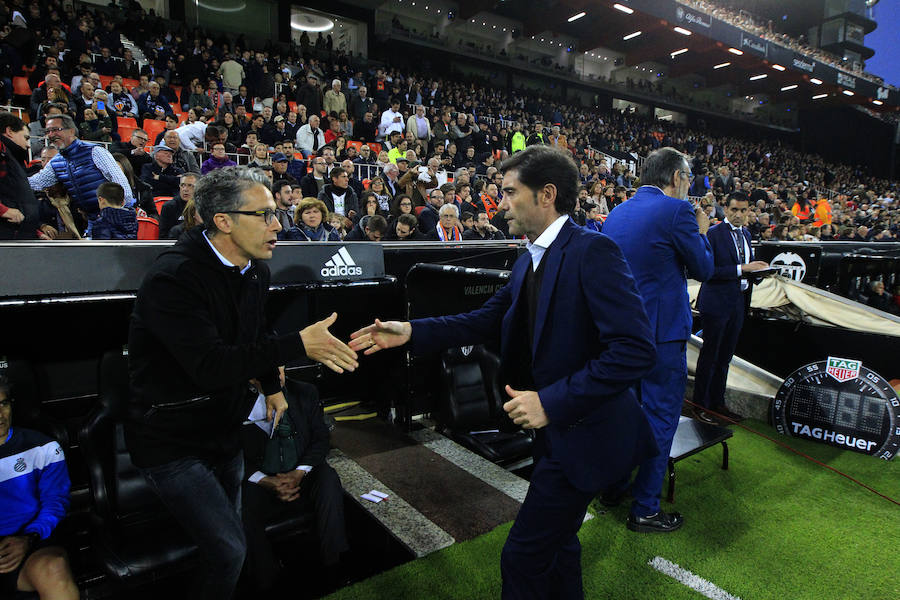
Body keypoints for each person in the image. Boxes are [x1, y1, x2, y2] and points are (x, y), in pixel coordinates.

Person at [349, 145, 657, 599]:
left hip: (585, 434)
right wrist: (410, 331)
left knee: (524, 557)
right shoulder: (530, 257)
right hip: (557, 434)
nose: (501, 203)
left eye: (510, 193)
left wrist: (550, 401)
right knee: (559, 547)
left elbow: (634, 350)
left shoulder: (594, 252)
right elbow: (484, 319)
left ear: (546, 194)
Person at [125, 166, 359, 600]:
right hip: (171, 444)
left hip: (222, 434)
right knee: (229, 548)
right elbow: (210, 365)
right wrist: (297, 345)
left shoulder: (254, 271)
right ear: (224, 221)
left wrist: (271, 386)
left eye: (277, 215)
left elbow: (252, 338)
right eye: (266, 215)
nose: (277, 225)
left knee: (230, 543)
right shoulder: (173, 278)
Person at [601, 147, 714, 533]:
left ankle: (613, 488)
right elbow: (704, 268)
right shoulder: (677, 211)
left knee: (623, 415)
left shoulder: (618, 212)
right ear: (678, 177)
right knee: (660, 419)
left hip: (621, 333)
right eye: (689, 177)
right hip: (661, 337)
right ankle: (645, 508)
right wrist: (701, 228)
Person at [241, 379, 348, 591]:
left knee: (328, 479)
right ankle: (267, 579)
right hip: (261, 480)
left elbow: (321, 438)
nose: (278, 374)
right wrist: (266, 481)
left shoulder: (305, 392)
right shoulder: (236, 400)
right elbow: (229, 454)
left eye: (281, 366)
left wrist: (299, 472)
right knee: (241, 499)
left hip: (301, 474)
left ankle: (334, 564)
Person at [0, 376, 80, 600]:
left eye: (3, 404)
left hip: (33, 541)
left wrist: (29, 539)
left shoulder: (43, 447)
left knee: (53, 568)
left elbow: (56, 501)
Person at [693, 191, 769, 424]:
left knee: (725, 357)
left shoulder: (746, 233)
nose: (738, 214)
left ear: (749, 211)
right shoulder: (714, 234)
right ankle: (700, 406)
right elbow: (707, 272)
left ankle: (718, 403)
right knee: (710, 356)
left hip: (738, 302)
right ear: (726, 210)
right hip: (716, 303)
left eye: (743, 210)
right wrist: (743, 269)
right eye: (734, 210)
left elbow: (747, 271)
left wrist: (759, 273)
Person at [29, 114, 134, 221]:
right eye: (48, 131)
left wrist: (123, 212)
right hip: (92, 220)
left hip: (115, 217)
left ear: (71, 131)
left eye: (56, 130)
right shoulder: (55, 162)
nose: (51, 135)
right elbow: (36, 183)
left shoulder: (95, 151)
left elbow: (121, 184)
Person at [0, 112, 41, 240]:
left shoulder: (10, 157)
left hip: (17, 235)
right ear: (10, 131)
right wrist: (3, 210)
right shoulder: (2, 153)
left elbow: (15, 198)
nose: (28, 144)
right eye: (26, 137)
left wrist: (35, 232)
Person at [158, 173, 198, 239]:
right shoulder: (168, 207)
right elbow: (163, 237)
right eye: (183, 185)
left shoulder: (203, 206)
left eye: (190, 185)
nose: (185, 189)